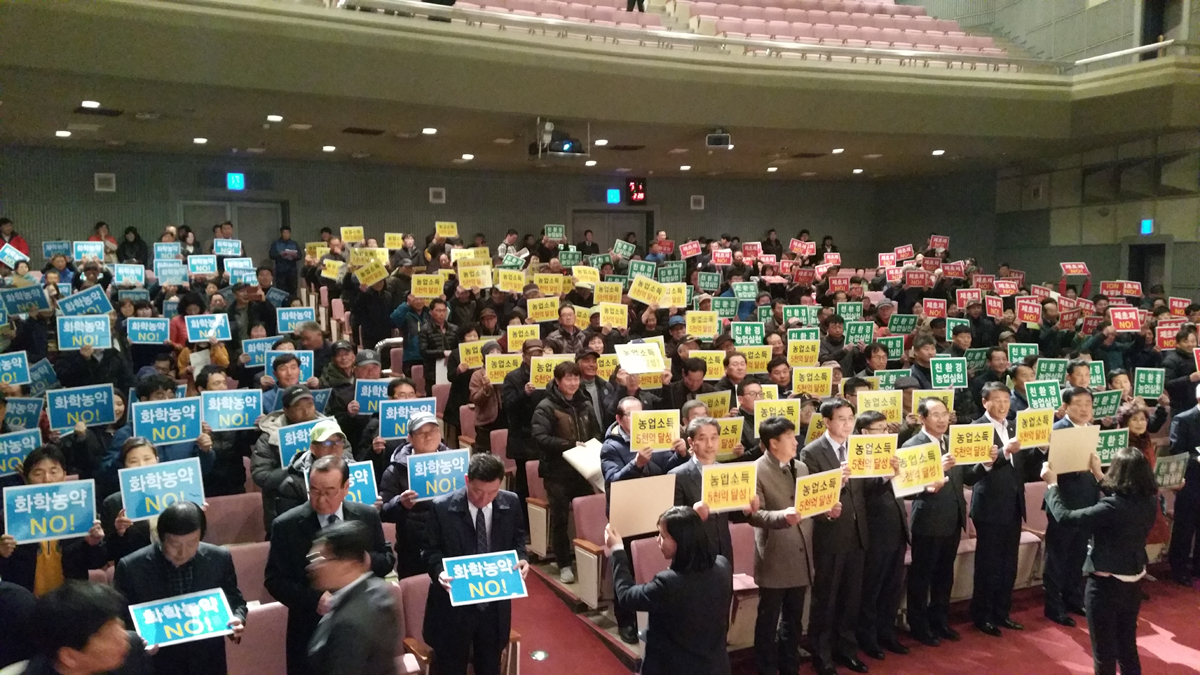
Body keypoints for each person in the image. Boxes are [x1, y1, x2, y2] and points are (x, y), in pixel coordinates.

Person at [265, 455, 395, 675]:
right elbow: (274, 580)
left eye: (329, 492)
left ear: (346, 488)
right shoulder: (286, 525)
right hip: (308, 628)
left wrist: (363, 561)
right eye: (314, 490)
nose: (320, 499)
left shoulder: (366, 515)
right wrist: (313, 599)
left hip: (358, 627)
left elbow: (387, 559)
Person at [1041, 448, 1157, 675]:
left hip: (1105, 586)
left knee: (1104, 653)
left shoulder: (1111, 508)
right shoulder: (1149, 500)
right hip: (1133, 581)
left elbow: (1065, 518)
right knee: (1127, 646)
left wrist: (1052, 486)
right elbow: (1122, 497)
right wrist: (1097, 474)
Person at [420, 454, 529, 675]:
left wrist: (522, 558)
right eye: (478, 491)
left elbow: (518, 539)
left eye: (492, 492)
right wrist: (439, 571)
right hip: (453, 604)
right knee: (450, 665)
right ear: (468, 480)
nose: (484, 499)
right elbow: (429, 550)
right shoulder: (442, 508)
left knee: (490, 665)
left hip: (493, 603)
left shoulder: (511, 502)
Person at [113, 502, 247, 675]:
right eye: (175, 545)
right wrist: (138, 640)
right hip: (157, 663)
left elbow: (234, 600)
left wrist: (237, 618)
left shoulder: (219, 558)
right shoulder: (131, 567)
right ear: (161, 537)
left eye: (192, 543)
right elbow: (119, 617)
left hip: (207, 660)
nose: (183, 552)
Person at [605, 506, 732, 675]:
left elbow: (626, 596)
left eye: (663, 536)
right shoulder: (722, 566)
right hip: (715, 665)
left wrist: (617, 550)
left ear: (681, 540)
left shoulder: (669, 583)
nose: (658, 540)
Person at [749, 417, 823, 675]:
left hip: (802, 552)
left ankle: (789, 665)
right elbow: (754, 515)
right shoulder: (756, 470)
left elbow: (810, 503)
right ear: (773, 443)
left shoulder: (801, 467)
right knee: (768, 620)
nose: (796, 441)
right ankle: (766, 667)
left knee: (794, 619)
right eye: (790, 436)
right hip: (775, 553)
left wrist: (827, 509)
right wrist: (782, 517)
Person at [799, 398, 866, 675]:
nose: (847, 424)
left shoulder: (859, 447)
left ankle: (846, 650)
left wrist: (888, 474)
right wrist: (836, 483)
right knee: (826, 598)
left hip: (859, 531)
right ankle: (821, 653)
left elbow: (868, 489)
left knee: (851, 597)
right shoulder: (811, 452)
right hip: (829, 534)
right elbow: (810, 497)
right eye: (841, 419)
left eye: (851, 418)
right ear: (826, 421)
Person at [900, 397, 968, 647]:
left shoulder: (951, 442)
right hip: (928, 520)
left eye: (945, 414)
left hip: (953, 517)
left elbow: (965, 476)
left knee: (944, 575)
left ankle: (940, 620)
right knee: (922, 577)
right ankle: (919, 626)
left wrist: (986, 462)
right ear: (922, 419)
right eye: (936, 415)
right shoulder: (911, 445)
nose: (942, 419)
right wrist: (933, 475)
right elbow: (906, 488)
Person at [0, 447, 107, 595]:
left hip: (71, 599)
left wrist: (93, 544)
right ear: (26, 479)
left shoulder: (81, 510)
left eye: (53, 471)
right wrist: (2, 553)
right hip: (25, 601)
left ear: (64, 475)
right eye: (38, 473)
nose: (47, 479)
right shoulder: (8, 516)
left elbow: (96, 563)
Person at [1039, 387, 1105, 626]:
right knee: (1057, 557)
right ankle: (1053, 606)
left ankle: (1073, 599)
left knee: (1078, 554)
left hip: (1087, 500)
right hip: (1062, 501)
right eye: (1078, 403)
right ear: (1065, 406)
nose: (1084, 408)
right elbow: (1045, 467)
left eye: (1088, 403)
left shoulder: (1092, 430)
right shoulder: (1056, 431)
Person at [531, 361, 600, 583]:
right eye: (568, 379)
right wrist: (570, 445)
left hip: (584, 470)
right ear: (558, 381)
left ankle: (591, 562)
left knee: (592, 514)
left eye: (576, 378)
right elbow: (540, 438)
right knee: (560, 519)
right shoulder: (546, 406)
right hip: (556, 472)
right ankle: (563, 564)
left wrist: (592, 446)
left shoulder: (585, 404)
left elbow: (596, 432)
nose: (573, 383)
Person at [968, 382, 1028, 636]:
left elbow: (1024, 466)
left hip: (1014, 504)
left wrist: (1042, 448)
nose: (1003, 405)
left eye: (1006, 399)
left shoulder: (1015, 426)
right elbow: (970, 475)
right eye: (997, 400)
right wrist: (1003, 452)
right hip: (990, 507)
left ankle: (1002, 612)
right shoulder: (975, 429)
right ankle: (982, 615)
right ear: (985, 402)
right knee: (988, 565)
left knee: (1008, 564)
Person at [305, 520, 399, 675]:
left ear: (348, 564)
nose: (312, 567)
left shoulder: (349, 625)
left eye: (320, 559)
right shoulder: (377, 588)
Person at [855, 411, 910, 661]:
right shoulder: (857, 456)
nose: (886, 434)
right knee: (872, 589)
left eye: (887, 429)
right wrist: (886, 475)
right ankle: (868, 638)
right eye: (880, 429)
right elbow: (863, 493)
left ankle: (887, 633)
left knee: (892, 588)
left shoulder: (892, 454)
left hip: (896, 529)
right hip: (874, 534)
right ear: (865, 433)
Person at [21, 581, 151, 675]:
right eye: (105, 634)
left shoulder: (132, 649)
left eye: (118, 623)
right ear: (69, 657)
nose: (124, 636)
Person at [379, 411, 450, 579]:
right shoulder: (395, 470)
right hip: (412, 548)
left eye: (432, 431)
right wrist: (400, 503)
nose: (428, 437)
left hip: (449, 543)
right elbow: (383, 512)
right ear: (410, 438)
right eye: (421, 433)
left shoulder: (454, 463)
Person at [1165, 382, 1200, 586]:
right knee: (1185, 527)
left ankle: (1198, 565)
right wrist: (1196, 459)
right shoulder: (1183, 419)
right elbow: (1176, 451)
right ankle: (1178, 568)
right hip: (1190, 480)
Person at [270, 225, 302, 294]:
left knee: (293, 289)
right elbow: (271, 255)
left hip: (292, 271)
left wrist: (294, 256)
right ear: (281, 233)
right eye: (284, 232)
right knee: (281, 289)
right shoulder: (276, 243)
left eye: (288, 233)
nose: (286, 234)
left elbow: (300, 256)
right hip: (280, 271)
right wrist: (280, 255)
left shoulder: (294, 243)